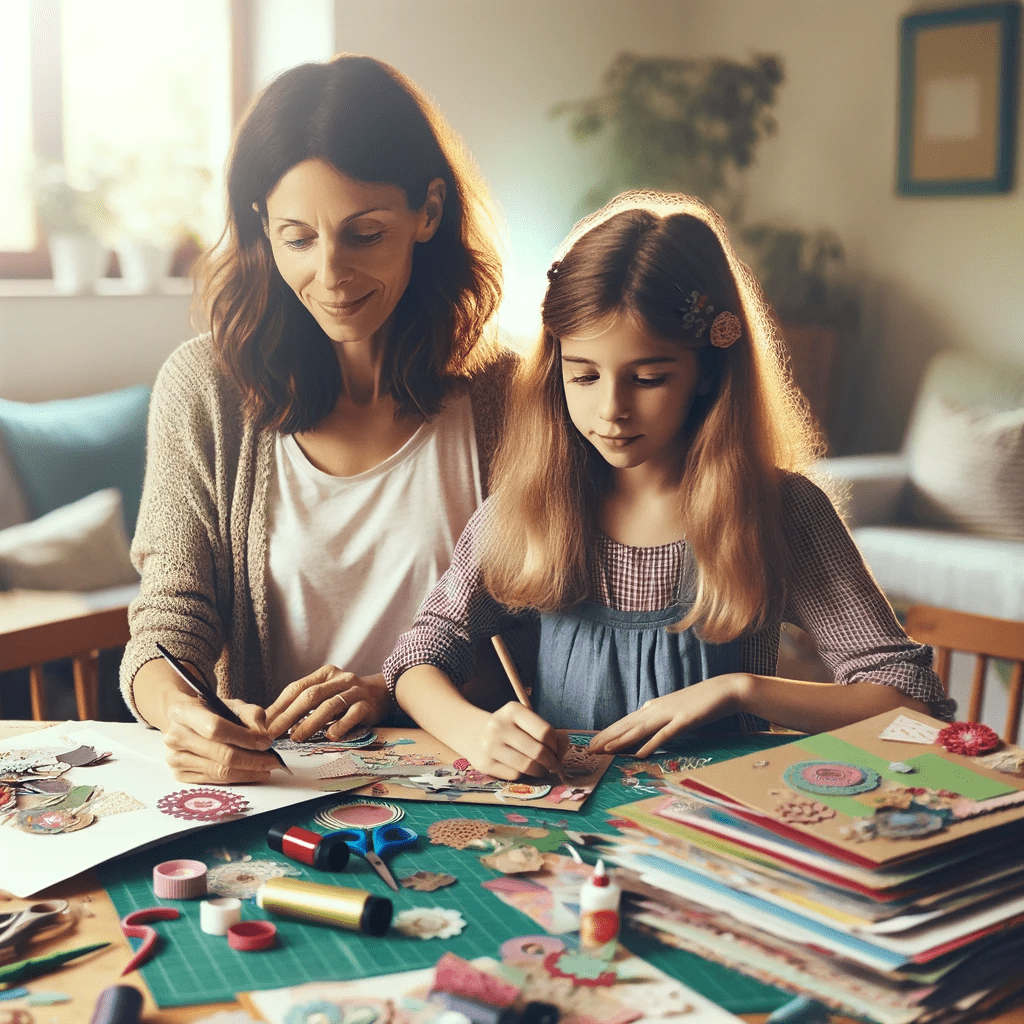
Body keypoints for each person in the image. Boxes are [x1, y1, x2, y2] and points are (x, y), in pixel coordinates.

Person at [383, 191, 954, 781]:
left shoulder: (778, 510)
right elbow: (418, 658)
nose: (611, 409)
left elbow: (909, 698)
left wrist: (740, 690)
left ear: (708, 372)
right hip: (561, 838)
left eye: (649, 378)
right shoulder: (529, 508)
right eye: (583, 376)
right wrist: (475, 732)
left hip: (723, 836)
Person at [120, 54, 513, 784]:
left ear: (427, 211)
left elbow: (544, 638)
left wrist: (392, 690)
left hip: (463, 785)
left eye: (364, 234)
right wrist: (180, 711)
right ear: (260, 226)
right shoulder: (203, 390)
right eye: (297, 238)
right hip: (276, 790)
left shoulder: (506, 400)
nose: (330, 275)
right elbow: (168, 618)